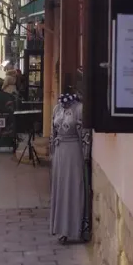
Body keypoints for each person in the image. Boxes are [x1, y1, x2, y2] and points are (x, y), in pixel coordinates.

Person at [49, 89, 89, 244]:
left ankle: (75, 228)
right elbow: (53, 132)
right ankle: (61, 228)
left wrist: (85, 155)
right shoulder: (57, 108)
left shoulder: (79, 109)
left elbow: (84, 135)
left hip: (74, 152)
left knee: (73, 187)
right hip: (60, 152)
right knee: (60, 188)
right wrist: (52, 151)